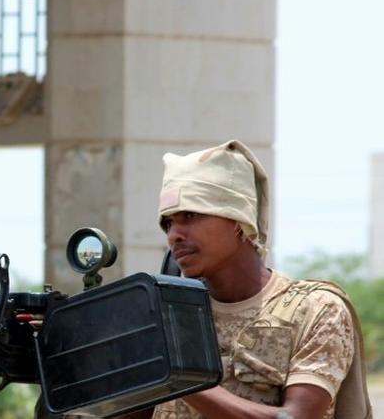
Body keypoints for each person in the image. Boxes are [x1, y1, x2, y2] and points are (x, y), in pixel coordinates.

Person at [120, 140, 371, 419]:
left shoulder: (314, 310)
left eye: (190, 215)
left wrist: (179, 378)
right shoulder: (166, 317)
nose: (173, 235)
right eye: (168, 223)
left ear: (239, 220)